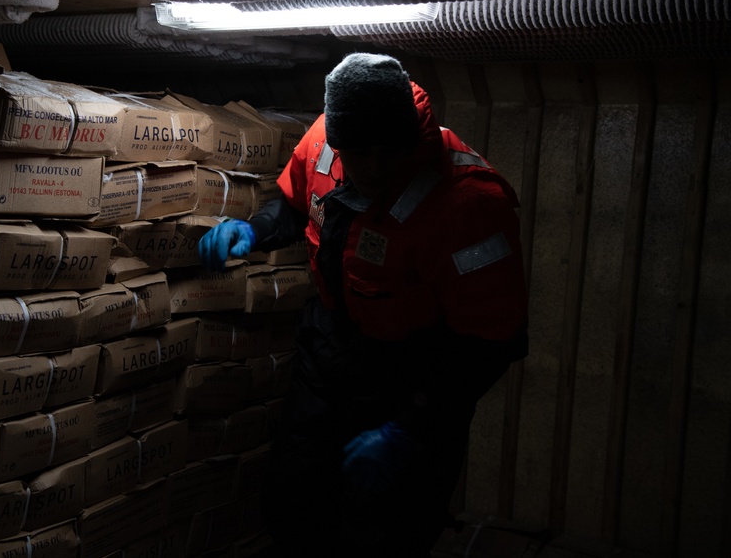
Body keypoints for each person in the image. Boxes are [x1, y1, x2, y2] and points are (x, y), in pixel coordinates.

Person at [197, 53, 529, 556]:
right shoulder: (325, 141)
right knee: (295, 504)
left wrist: (409, 428)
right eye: (359, 152)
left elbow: (492, 342)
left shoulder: (470, 205)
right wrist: (253, 229)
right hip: (331, 346)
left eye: (388, 151)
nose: (373, 167)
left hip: (416, 374)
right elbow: (293, 205)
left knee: (384, 532)